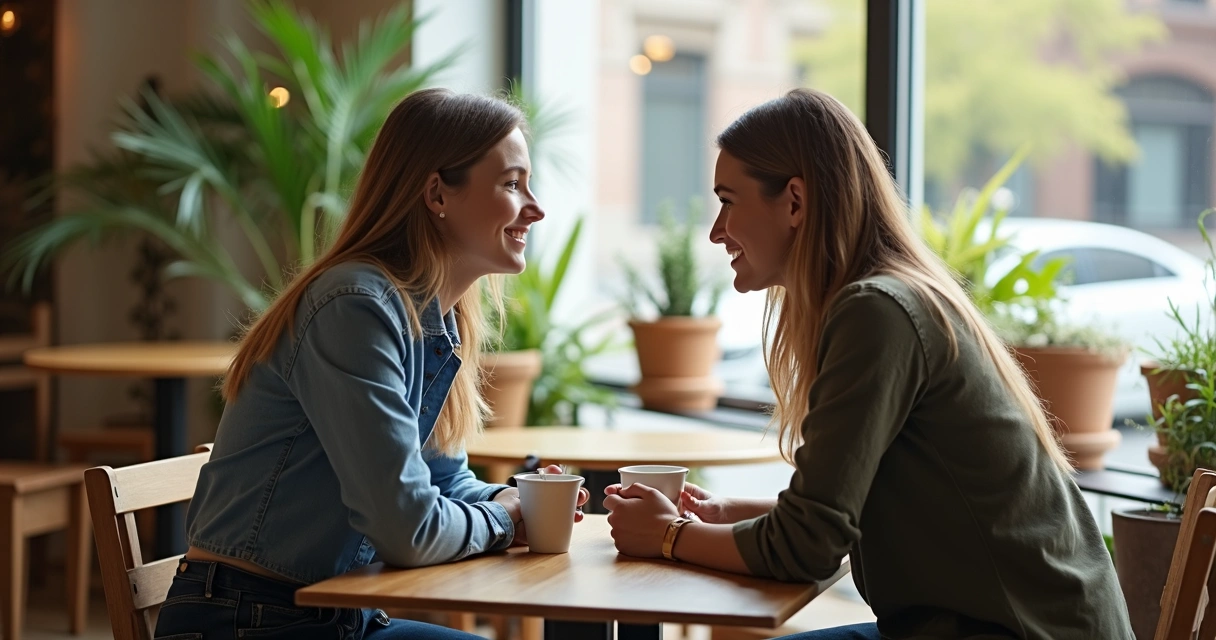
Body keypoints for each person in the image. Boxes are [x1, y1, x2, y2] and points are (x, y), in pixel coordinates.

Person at [602, 88, 1133, 640]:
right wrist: (724, 512)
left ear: (795, 202)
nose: (716, 230)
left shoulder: (876, 312)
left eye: (728, 201)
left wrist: (668, 536)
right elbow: (842, 516)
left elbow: (806, 548)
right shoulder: (889, 299)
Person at [154, 88, 587, 640]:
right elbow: (407, 528)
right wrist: (506, 521)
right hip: (247, 621)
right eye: (511, 182)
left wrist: (511, 497)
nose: (536, 206)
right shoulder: (355, 307)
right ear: (437, 194)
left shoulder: (433, 319)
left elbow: (441, 479)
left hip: (336, 617)